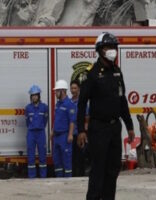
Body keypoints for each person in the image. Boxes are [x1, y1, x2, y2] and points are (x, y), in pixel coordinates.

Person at [77, 33, 135, 200]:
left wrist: (130, 126)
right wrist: (81, 130)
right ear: (100, 50)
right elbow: (82, 103)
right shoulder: (92, 74)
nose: (112, 50)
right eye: (108, 47)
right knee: (98, 170)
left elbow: (122, 100)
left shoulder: (117, 72)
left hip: (115, 128)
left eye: (114, 47)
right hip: (98, 129)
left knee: (113, 169)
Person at [51, 80, 75, 178]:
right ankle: (59, 180)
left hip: (64, 136)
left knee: (66, 160)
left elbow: (72, 121)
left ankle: (68, 182)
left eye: (57, 91)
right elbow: (56, 119)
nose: (55, 93)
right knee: (57, 161)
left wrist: (70, 134)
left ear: (63, 91)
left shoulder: (69, 104)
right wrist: (52, 131)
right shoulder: (58, 104)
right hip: (56, 136)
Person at [24, 84, 48, 179]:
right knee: (31, 156)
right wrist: (32, 127)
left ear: (39, 96)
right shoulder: (28, 108)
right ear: (31, 97)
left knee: (42, 155)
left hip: (41, 133)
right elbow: (27, 122)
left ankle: (43, 176)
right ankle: (32, 177)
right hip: (31, 133)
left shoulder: (44, 107)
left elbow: (45, 120)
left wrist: (40, 126)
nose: (34, 97)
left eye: (36, 95)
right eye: (32, 95)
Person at [69, 79, 86, 177]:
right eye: (72, 88)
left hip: (80, 134)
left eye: (75, 88)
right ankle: (73, 178)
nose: (73, 90)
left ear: (79, 89)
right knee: (72, 159)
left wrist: (84, 133)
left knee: (81, 159)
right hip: (71, 135)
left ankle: (81, 178)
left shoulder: (82, 102)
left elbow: (87, 119)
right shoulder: (69, 102)